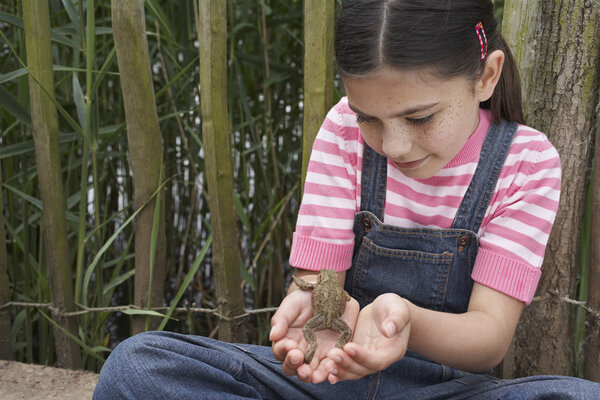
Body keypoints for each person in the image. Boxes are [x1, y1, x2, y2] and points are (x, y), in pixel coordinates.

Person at [94, 1, 600, 398]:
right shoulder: (341, 130)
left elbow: (488, 337)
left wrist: (405, 322)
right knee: (135, 366)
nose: (395, 146)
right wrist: (308, 308)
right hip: (328, 383)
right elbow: (318, 285)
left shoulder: (526, 162)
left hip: (447, 391)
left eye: (420, 118)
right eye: (368, 117)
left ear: (486, 76)